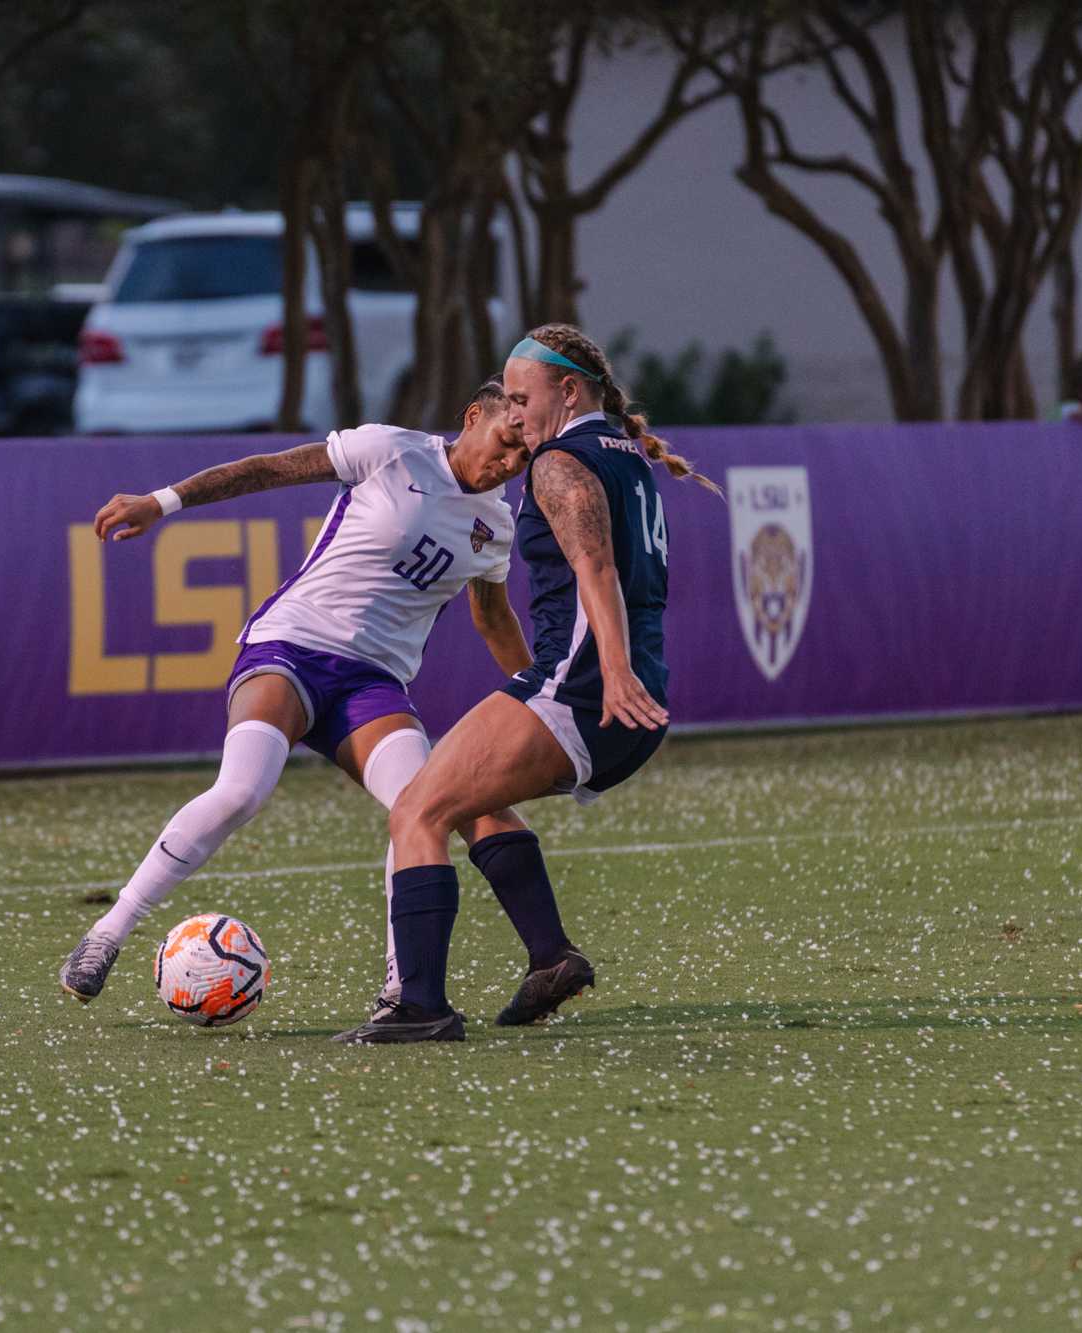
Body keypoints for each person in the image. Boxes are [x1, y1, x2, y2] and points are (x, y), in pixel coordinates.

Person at [59, 382, 540, 1005]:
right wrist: (163, 501)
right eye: (505, 441)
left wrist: (540, 693)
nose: (507, 462)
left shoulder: (495, 524)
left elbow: (494, 620)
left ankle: (404, 992)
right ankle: (108, 931)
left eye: (523, 457)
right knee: (240, 791)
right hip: (291, 647)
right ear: (473, 416)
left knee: (420, 813)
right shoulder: (390, 451)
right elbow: (269, 469)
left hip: (372, 684)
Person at [335, 323, 720, 1045]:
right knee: (467, 800)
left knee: (417, 809)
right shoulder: (628, 456)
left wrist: (610, 670)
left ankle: (420, 1005)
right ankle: (550, 956)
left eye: (521, 397)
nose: (513, 414)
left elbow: (596, 570)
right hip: (619, 695)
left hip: (583, 690)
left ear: (567, 391)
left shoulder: (557, 461)